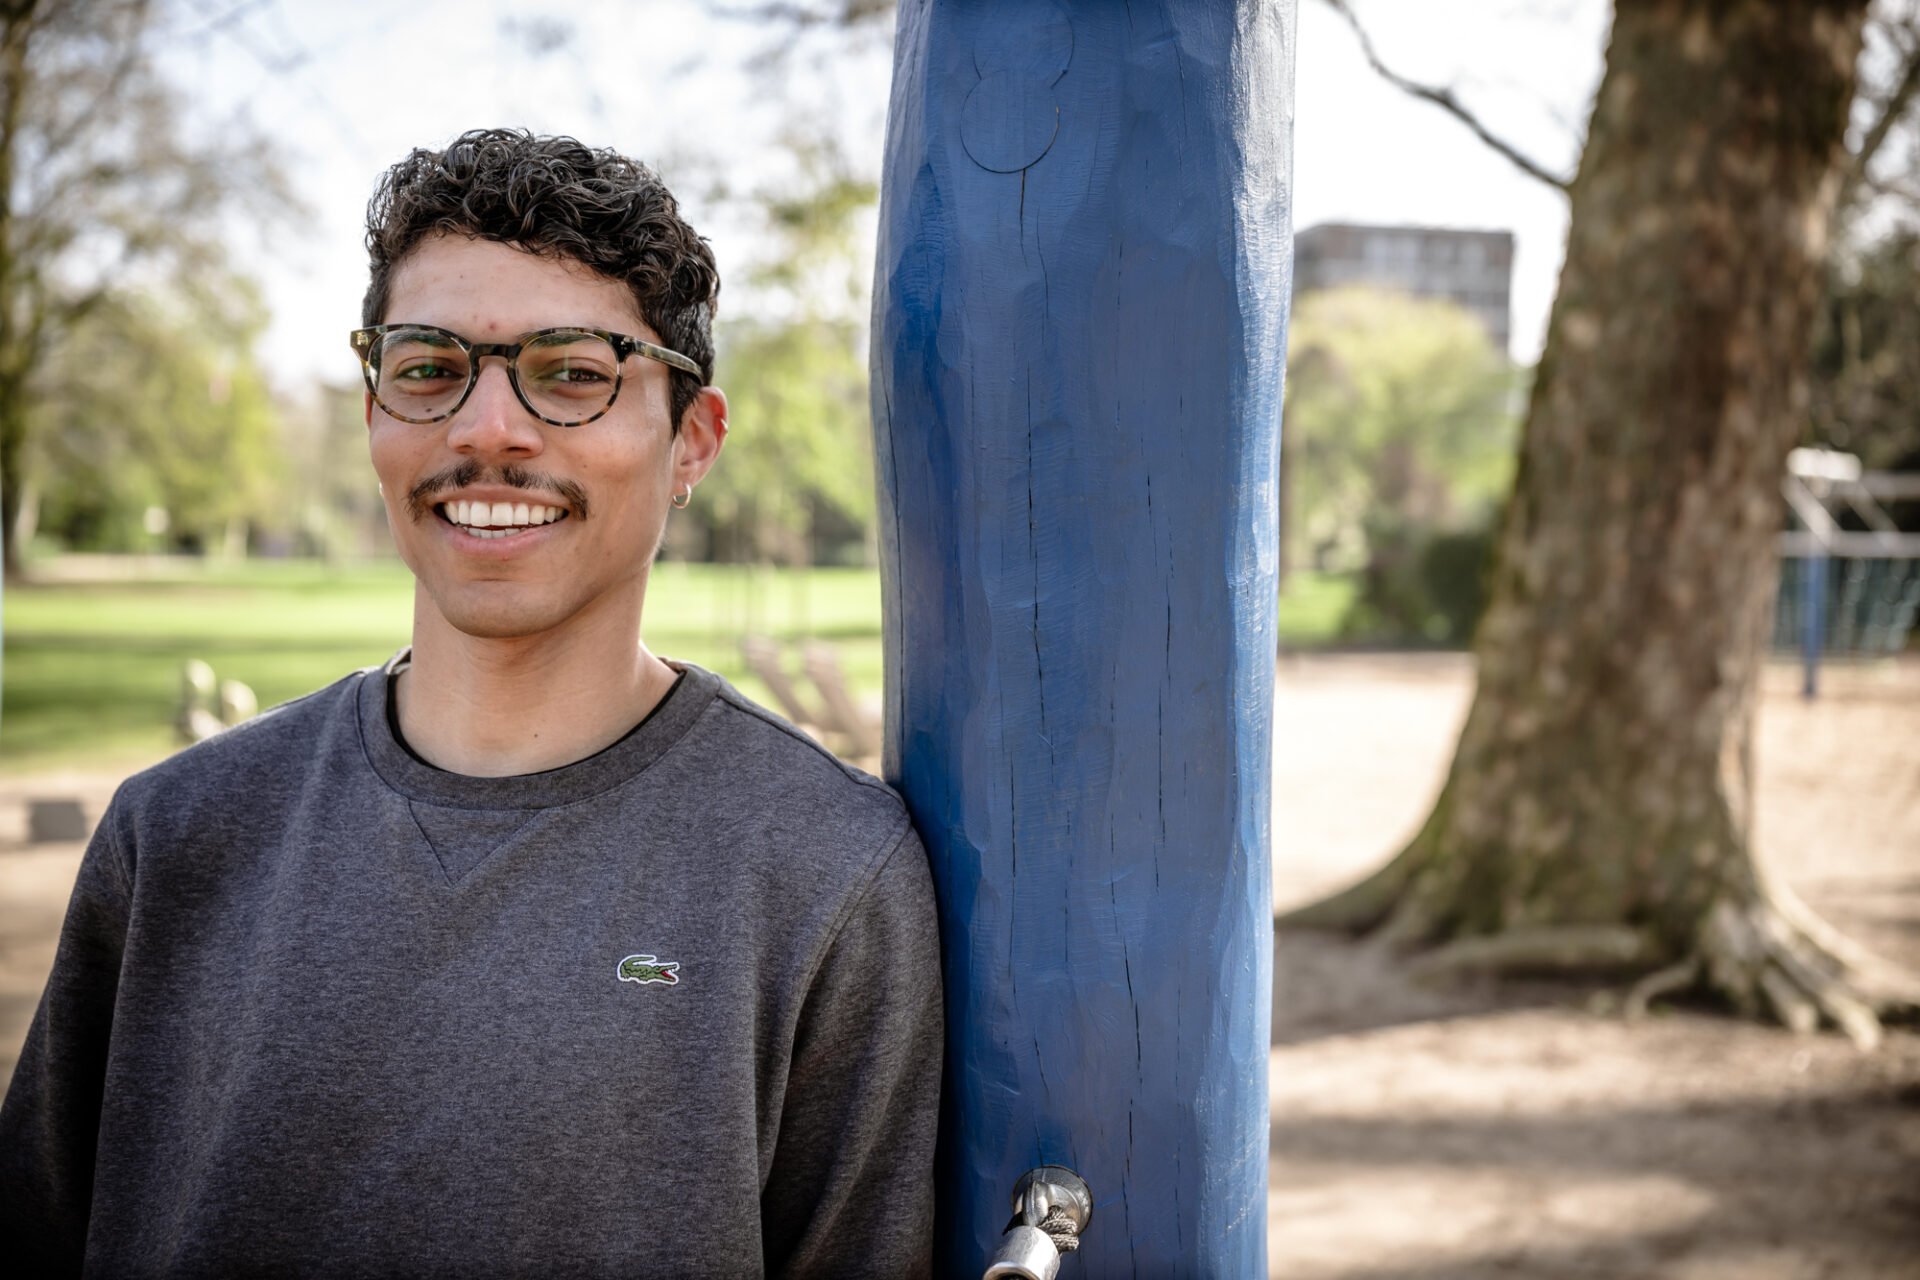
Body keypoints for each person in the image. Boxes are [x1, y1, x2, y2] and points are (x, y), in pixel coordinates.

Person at [0, 129, 943, 1278]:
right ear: (375, 416)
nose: (486, 428)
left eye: (573, 372)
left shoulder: (826, 876)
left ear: (691, 442)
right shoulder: (174, 835)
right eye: (429, 364)